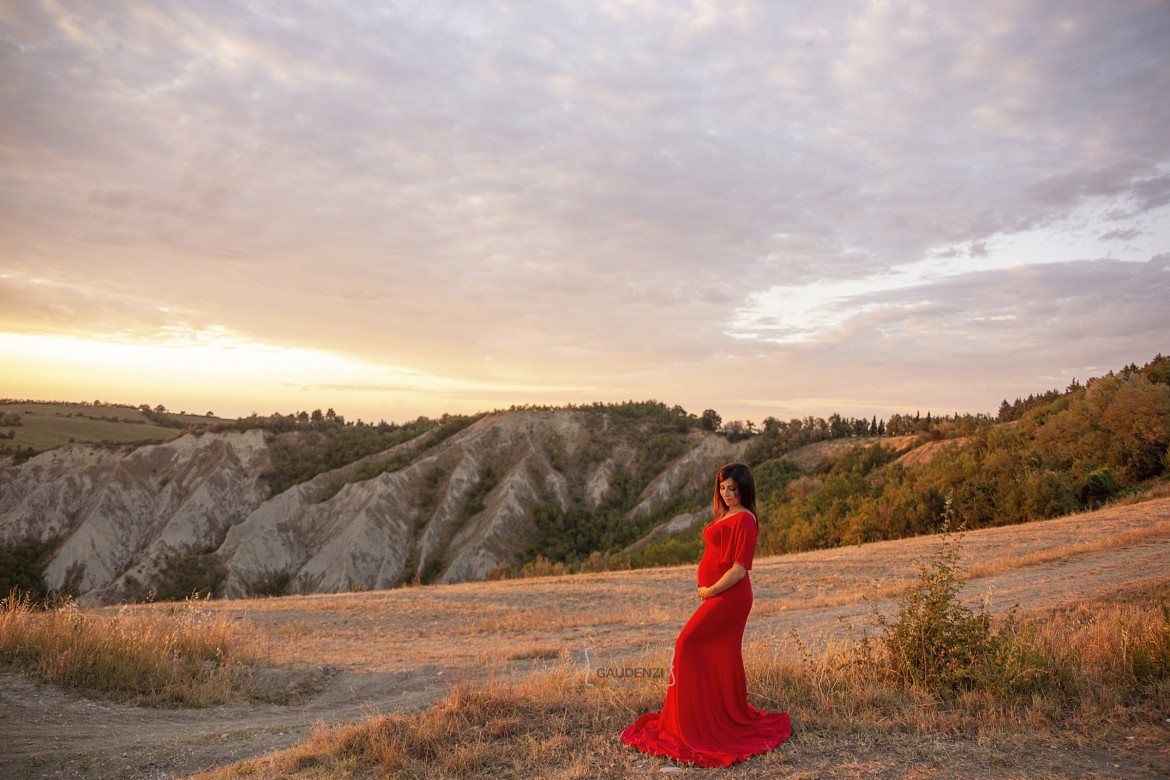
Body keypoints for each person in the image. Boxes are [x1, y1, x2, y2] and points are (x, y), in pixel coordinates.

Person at [621, 462, 792, 767]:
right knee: (718, 656)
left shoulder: (746, 520)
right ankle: (706, 714)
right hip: (719, 593)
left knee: (686, 644)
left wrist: (710, 591)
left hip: (731, 597)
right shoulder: (726, 513)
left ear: (745, 488)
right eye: (723, 487)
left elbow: (740, 570)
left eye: (734, 488)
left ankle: (695, 724)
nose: (728, 493)